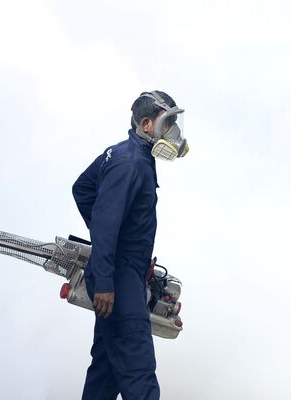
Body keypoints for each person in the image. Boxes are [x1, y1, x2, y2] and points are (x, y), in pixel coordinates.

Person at [72, 91, 188, 399]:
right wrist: (108, 277)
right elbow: (105, 221)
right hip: (119, 280)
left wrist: (108, 233)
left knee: (106, 372)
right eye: (169, 122)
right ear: (148, 124)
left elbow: (82, 189)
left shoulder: (125, 154)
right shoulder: (131, 163)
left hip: (122, 272)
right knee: (139, 376)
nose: (174, 131)